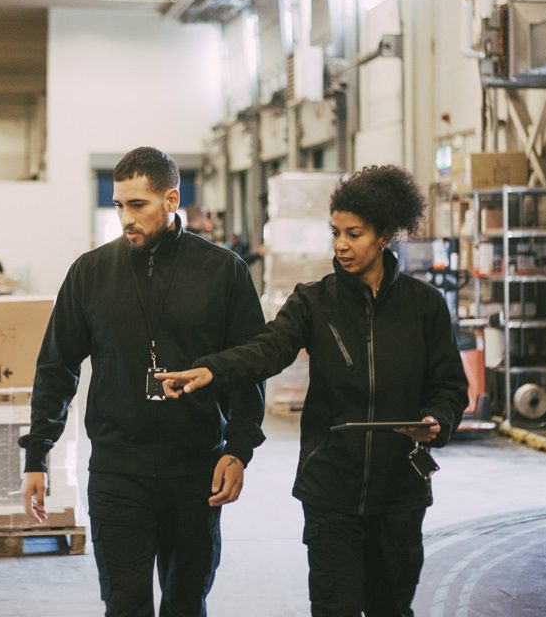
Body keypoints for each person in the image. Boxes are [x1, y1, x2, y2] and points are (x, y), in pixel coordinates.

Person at [157, 165, 469, 617]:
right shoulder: (313, 302)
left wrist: (437, 421)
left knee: (392, 609)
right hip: (330, 493)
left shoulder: (424, 308)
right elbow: (267, 349)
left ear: (383, 236)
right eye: (335, 232)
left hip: (398, 494)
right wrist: (212, 370)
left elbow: (449, 386)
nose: (341, 244)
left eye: (354, 234)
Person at [20, 147, 266, 617]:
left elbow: (247, 369)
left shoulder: (222, 271)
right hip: (118, 472)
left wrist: (238, 448)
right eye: (119, 205)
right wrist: (38, 452)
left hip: (195, 471)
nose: (125, 218)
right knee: (125, 603)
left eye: (138, 206)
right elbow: (56, 366)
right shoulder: (90, 273)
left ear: (171, 199)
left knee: (185, 602)